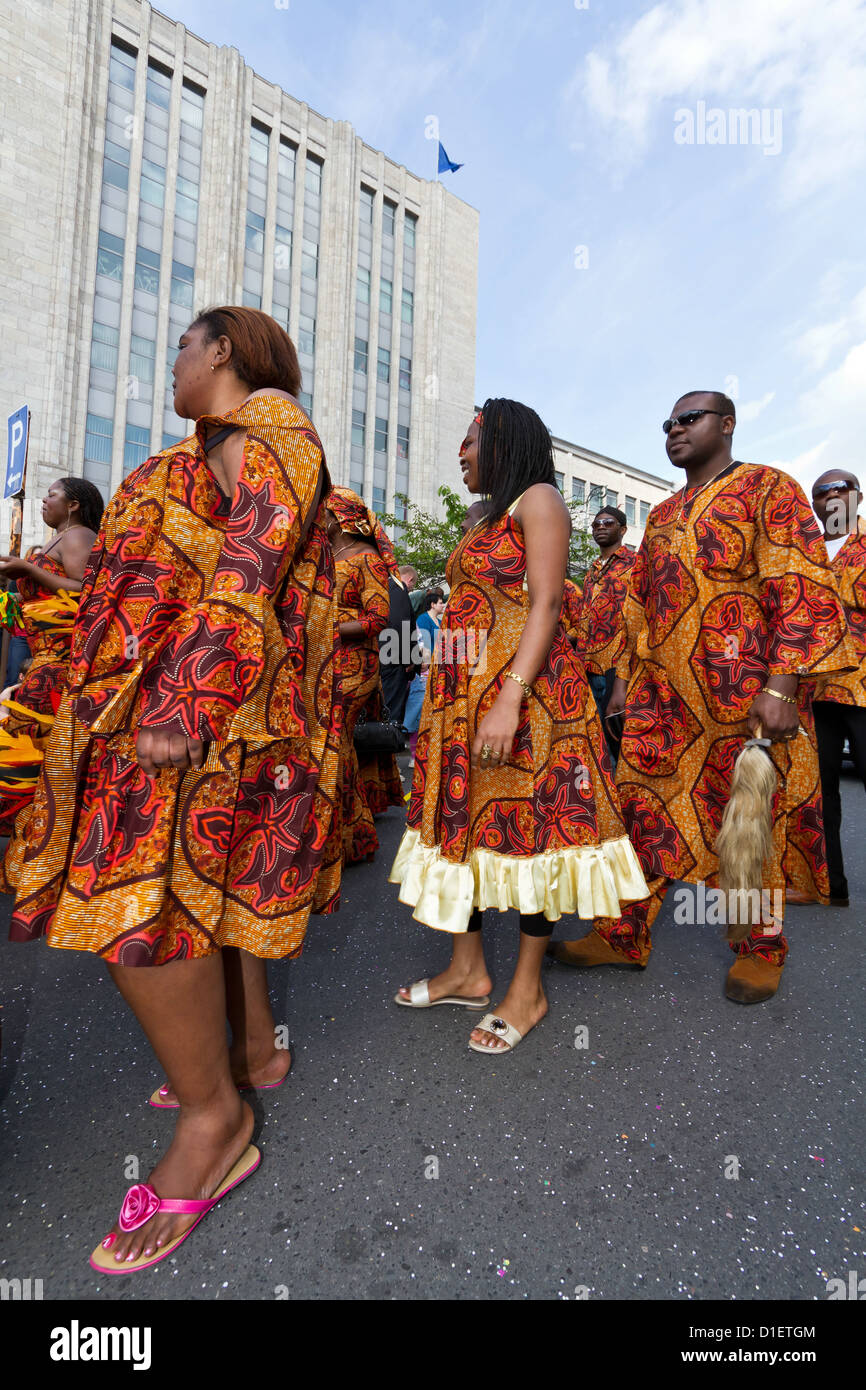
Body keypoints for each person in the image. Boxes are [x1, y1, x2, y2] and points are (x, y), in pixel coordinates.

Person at [3, 306, 343, 1273]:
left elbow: (256, 556)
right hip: (142, 716)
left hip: (191, 719)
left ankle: (215, 1117)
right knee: (188, 907)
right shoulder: (199, 448)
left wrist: (193, 697)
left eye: (183, 348)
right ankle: (242, 1062)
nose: (174, 364)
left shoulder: (266, 422)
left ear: (224, 351)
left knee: (134, 917)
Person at [549, 391, 855, 1003]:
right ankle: (623, 934)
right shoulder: (660, 515)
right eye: (667, 423)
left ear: (728, 424)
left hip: (742, 699)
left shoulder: (768, 487)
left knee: (747, 822)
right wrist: (623, 688)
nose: (674, 430)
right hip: (663, 704)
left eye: (690, 419)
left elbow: (798, 583)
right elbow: (638, 608)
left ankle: (761, 948)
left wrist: (782, 683)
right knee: (640, 814)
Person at [390, 399, 648, 1054]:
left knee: (532, 839)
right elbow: (473, 609)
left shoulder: (540, 501)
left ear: (503, 441)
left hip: (529, 707)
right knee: (466, 833)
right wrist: (439, 676)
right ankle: (468, 970)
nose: (460, 453)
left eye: (470, 440)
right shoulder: (484, 519)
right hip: (462, 707)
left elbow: (547, 603)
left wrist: (508, 698)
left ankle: (527, 989)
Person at [0, 478, 104, 831]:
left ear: (73, 504)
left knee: (25, 759)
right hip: (41, 665)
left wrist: (29, 569)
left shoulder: (79, 536)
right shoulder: (57, 539)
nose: (44, 500)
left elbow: (88, 592)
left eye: (52, 494)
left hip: (59, 667)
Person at [324, 486, 404, 864]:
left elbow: (377, 620)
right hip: (328, 665)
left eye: (322, 512)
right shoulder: (326, 556)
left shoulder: (366, 560)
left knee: (334, 742)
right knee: (339, 745)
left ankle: (352, 838)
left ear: (340, 517)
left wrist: (327, 626)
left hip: (357, 667)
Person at [809, 470, 866, 906]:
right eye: (820, 492)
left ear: (857, 497)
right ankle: (834, 886)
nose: (829, 498)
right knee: (820, 794)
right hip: (815, 693)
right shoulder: (805, 551)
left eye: (838, 489)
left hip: (862, 689)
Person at [575, 506, 636, 761]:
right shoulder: (591, 573)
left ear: (622, 529)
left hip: (618, 671)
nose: (600, 527)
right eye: (596, 524)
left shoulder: (636, 564)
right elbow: (583, 620)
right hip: (588, 669)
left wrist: (623, 680)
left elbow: (637, 622)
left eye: (608, 522)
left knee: (620, 744)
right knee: (596, 746)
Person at [402, 587, 445, 765]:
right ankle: (414, 756)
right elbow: (423, 646)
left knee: (430, 715)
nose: (443, 604)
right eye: (441, 602)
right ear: (433, 604)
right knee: (415, 715)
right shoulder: (423, 620)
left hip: (436, 671)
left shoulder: (439, 621)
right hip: (424, 672)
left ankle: (425, 754)